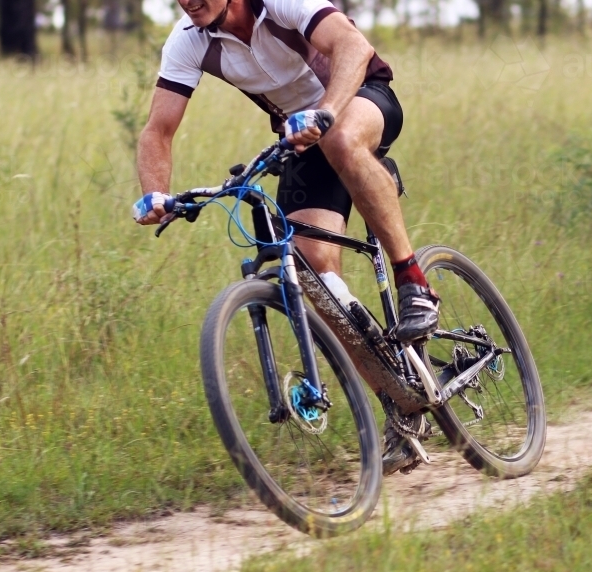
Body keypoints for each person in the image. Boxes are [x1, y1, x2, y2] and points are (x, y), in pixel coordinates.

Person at [132, 0, 436, 474]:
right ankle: (399, 399)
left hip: (360, 96)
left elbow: (353, 46)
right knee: (311, 270)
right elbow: (158, 130)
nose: (188, 1)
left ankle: (413, 282)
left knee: (338, 139)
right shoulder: (187, 40)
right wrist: (156, 195)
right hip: (300, 137)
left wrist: (327, 113)